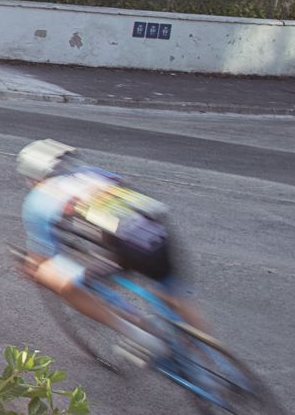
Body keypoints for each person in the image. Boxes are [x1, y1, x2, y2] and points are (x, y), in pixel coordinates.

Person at [14, 139, 215, 358]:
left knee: (57, 279)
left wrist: (32, 269)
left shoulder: (39, 198)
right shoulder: (92, 172)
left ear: (33, 176)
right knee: (173, 295)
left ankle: (143, 337)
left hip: (127, 248)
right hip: (158, 231)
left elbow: (42, 259)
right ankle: (215, 368)